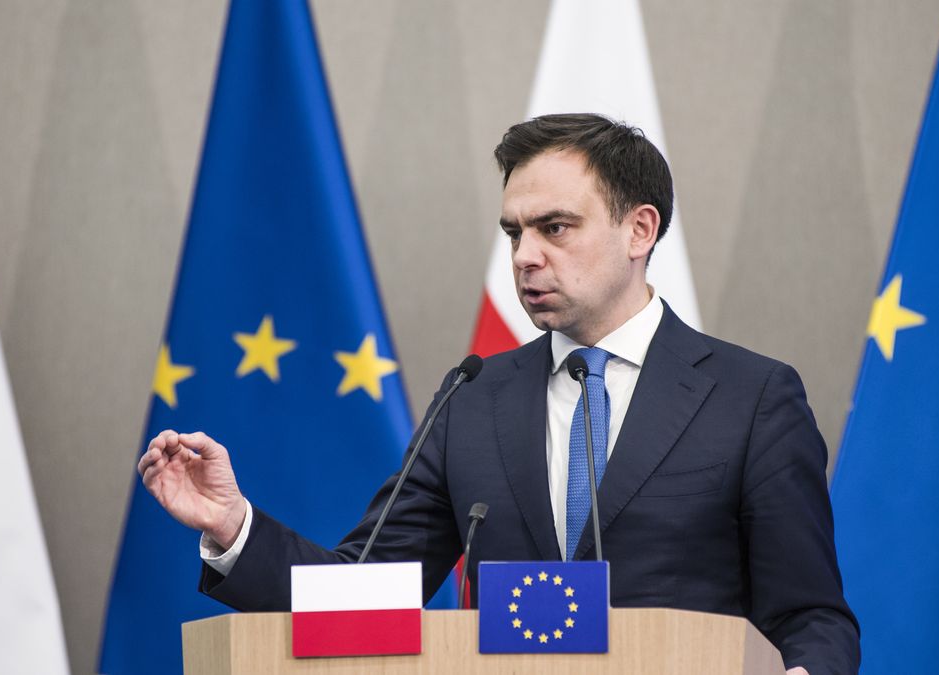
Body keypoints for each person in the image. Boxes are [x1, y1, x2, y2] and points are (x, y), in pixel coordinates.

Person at [137, 113, 859, 674]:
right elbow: (360, 595)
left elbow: (813, 617)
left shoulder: (751, 397)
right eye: (514, 232)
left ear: (640, 229)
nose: (524, 256)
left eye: (554, 228)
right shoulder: (474, 400)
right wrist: (235, 526)